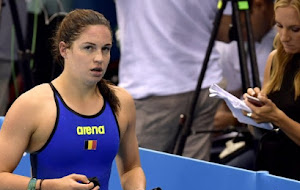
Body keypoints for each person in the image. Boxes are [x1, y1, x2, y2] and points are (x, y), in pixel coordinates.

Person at [0, 9, 146, 190]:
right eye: (88, 48)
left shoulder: (121, 103)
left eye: (106, 49)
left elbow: (131, 168)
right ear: (64, 50)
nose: (99, 58)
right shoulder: (33, 106)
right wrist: (51, 187)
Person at [114, 0, 233, 161]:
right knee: (189, 175)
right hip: (205, 85)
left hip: (154, 91)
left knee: (139, 175)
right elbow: (225, 29)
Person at [212, 0, 276, 169]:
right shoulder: (235, 46)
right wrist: (220, 120)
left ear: (259, 6)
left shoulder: (282, 47)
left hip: (270, 137)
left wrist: (232, 119)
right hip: (242, 135)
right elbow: (231, 98)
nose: (240, 32)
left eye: (243, 25)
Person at [243, 0, 300, 180]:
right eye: (279, 25)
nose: (284, 37)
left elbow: (277, 117)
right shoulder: (275, 60)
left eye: (295, 29)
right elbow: (264, 129)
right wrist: (255, 109)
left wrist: (277, 116)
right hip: (271, 166)